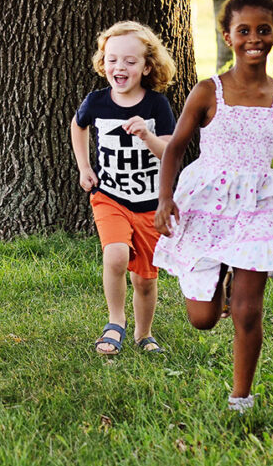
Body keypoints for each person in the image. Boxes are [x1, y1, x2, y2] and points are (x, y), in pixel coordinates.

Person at [153, 0, 273, 412]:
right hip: (207, 201)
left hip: (259, 205)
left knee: (249, 310)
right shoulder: (207, 91)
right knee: (203, 319)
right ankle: (222, 279)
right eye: (244, 30)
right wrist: (164, 199)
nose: (255, 38)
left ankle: (241, 397)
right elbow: (176, 147)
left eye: (264, 30)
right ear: (229, 36)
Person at [69, 21, 177, 355]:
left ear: (147, 66)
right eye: (113, 59)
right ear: (103, 63)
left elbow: (171, 152)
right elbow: (78, 126)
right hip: (109, 197)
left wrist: (147, 135)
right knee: (114, 255)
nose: (120, 67)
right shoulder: (97, 101)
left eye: (130, 61)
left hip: (149, 203)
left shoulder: (156, 105)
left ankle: (144, 334)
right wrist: (85, 167)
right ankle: (115, 322)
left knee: (145, 279)